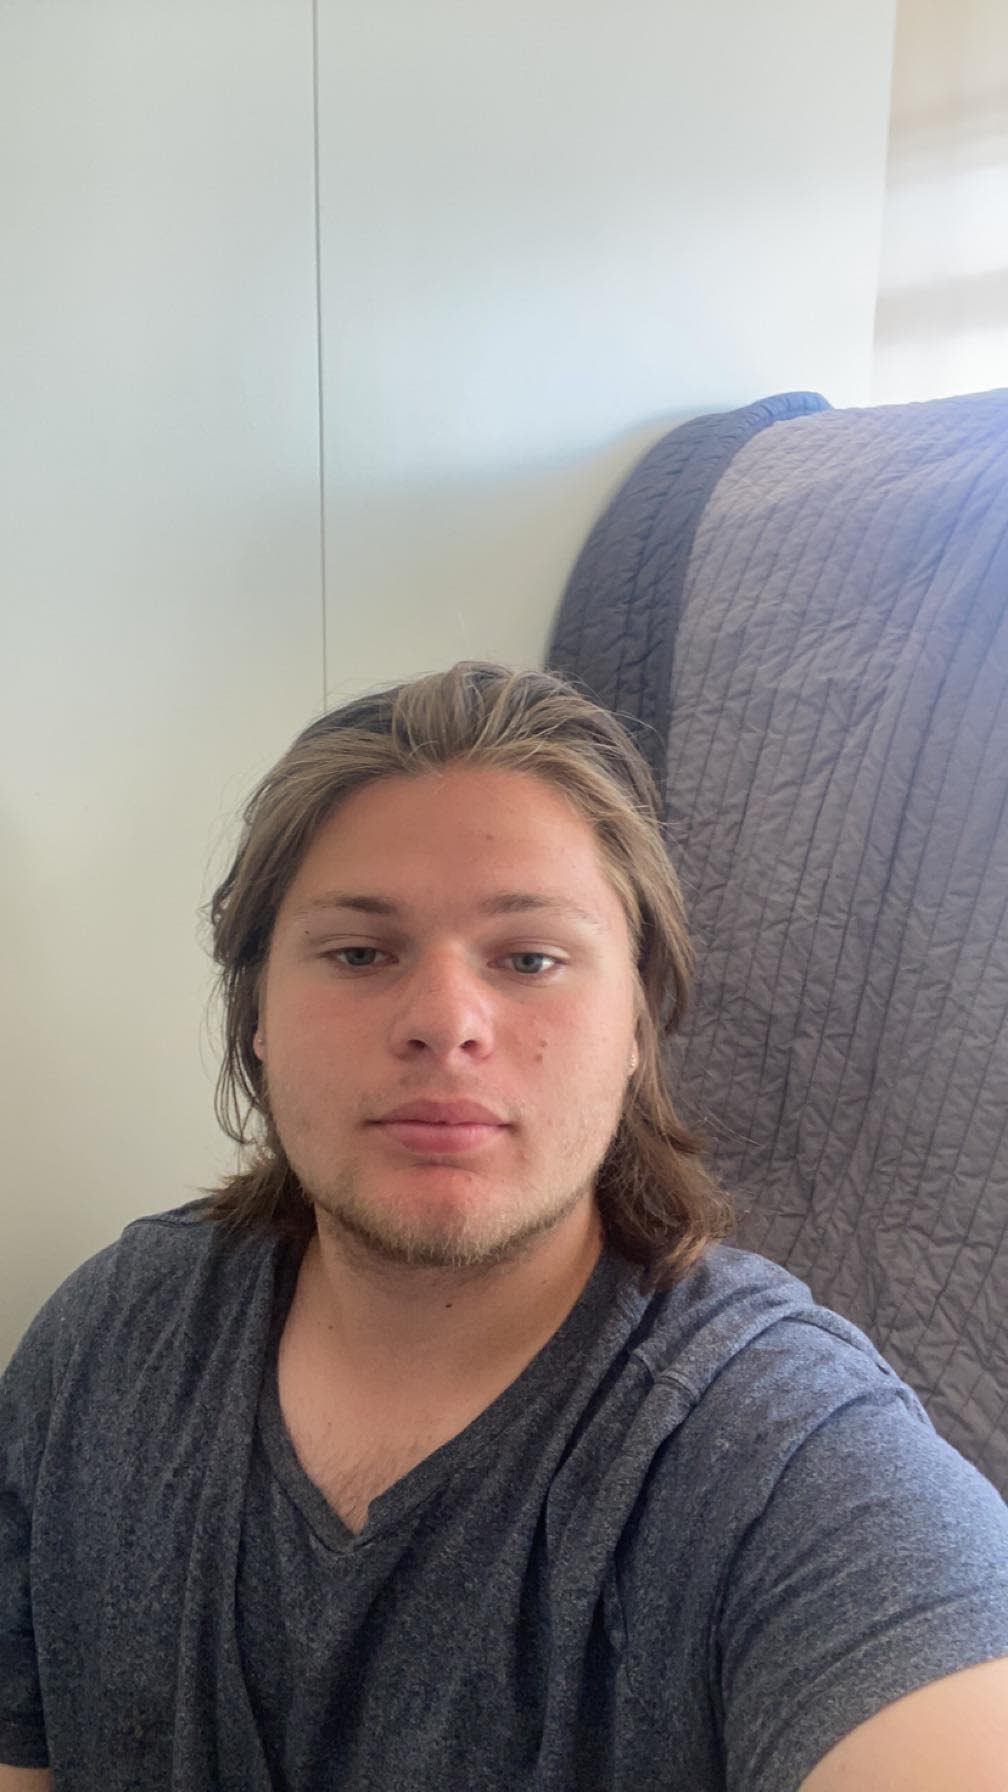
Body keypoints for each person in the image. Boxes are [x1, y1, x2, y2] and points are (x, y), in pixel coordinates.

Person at [2, 660, 1007, 1792]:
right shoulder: (105, 1347)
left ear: (637, 1025)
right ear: (258, 1018)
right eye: (360, 953)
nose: (445, 1021)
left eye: (531, 958)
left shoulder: (782, 1452)